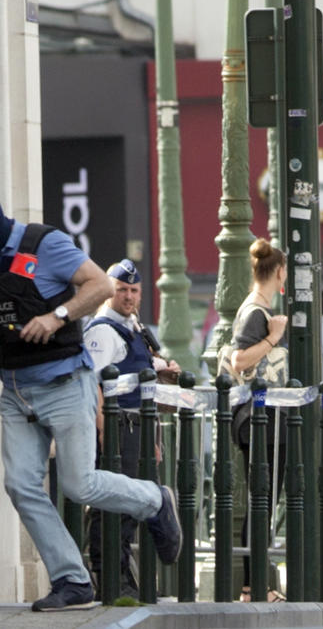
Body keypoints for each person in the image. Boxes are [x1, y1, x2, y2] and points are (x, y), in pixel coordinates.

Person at [0, 204, 181, 612]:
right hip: (14, 388)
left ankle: (155, 499)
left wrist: (55, 316)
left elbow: (100, 285)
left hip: (65, 383)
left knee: (79, 485)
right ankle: (73, 580)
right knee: (21, 485)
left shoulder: (42, 243)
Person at [83, 259, 181, 599]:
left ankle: (121, 578)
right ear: (108, 291)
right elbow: (90, 383)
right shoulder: (101, 331)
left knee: (129, 508)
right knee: (113, 506)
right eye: (121, 289)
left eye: (134, 290)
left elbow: (143, 381)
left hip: (136, 428)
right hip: (117, 429)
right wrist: (102, 430)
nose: (128, 296)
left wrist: (165, 372)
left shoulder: (133, 328)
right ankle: (109, 578)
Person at [227, 238, 288, 602]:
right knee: (261, 503)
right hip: (261, 421)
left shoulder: (259, 309)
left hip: (262, 420)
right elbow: (239, 360)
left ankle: (257, 586)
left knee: (262, 502)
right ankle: (255, 587)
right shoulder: (257, 313)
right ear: (280, 272)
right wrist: (274, 338)